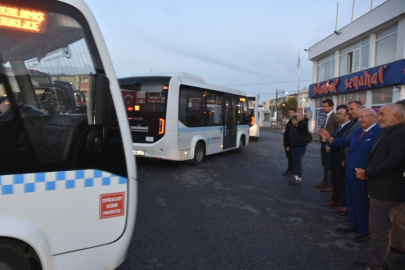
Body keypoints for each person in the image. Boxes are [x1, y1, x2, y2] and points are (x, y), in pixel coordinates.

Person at [318, 108, 381, 243]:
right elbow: (345, 143)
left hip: (362, 174)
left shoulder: (378, 132)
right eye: (360, 117)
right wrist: (329, 138)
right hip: (349, 172)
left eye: (365, 116)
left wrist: (367, 170)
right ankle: (353, 224)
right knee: (351, 201)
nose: (361, 119)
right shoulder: (359, 131)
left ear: (373, 118)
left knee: (361, 203)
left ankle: (364, 231)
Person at [355, 104, 405, 270]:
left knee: (379, 231)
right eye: (379, 114)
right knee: (381, 231)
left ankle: (376, 265)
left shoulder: (399, 135)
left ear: (396, 117)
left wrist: (367, 173)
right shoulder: (390, 132)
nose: (379, 117)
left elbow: (393, 163)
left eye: (382, 114)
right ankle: (378, 260)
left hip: (386, 191)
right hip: (382, 189)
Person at [335, 100, 363, 217]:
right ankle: (352, 217)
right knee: (348, 189)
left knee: (357, 194)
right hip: (347, 159)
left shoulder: (360, 125)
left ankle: (355, 218)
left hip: (358, 164)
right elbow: (347, 140)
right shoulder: (354, 122)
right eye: (349, 110)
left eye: (352, 109)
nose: (350, 112)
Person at [323, 105, 351, 207]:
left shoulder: (349, 127)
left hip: (340, 157)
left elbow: (345, 142)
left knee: (341, 181)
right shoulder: (339, 127)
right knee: (335, 179)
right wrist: (329, 145)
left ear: (347, 116)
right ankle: (336, 197)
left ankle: (343, 202)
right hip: (333, 156)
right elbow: (333, 139)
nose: (337, 116)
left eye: (340, 114)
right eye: (337, 113)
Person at [314, 99, 338, 192]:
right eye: (323, 106)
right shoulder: (325, 116)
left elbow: (337, 130)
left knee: (330, 165)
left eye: (325, 106)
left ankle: (331, 184)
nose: (323, 108)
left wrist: (332, 141)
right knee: (324, 163)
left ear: (331, 107)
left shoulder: (334, 117)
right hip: (323, 143)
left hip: (329, 144)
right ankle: (325, 181)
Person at [287, 111, 308, 185]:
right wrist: (288, 145)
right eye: (295, 116)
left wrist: (296, 125)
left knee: (298, 162)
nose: (297, 117)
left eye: (299, 116)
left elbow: (302, 130)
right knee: (295, 162)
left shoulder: (303, 123)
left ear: (302, 117)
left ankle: (298, 178)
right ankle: (296, 176)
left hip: (300, 146)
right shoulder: (293, 124)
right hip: (293, 145)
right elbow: (290, 134)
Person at [282, 108, 296, 176]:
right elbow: (287, 132)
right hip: (287, 142)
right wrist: (284, 141)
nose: (289, 114)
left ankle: (290, 170)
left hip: (290, 143)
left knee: (291, 157)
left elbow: (292, 134)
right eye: (289, 113)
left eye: (291, 113)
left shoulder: (294, 122)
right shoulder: (290, 121)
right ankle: (291, 169)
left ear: (294, 113)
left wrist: (288, 145)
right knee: (289, 157)